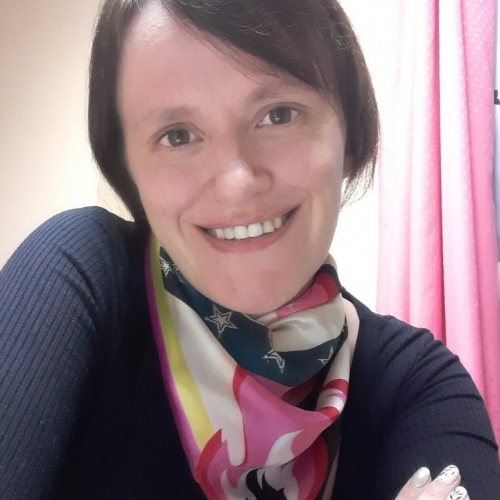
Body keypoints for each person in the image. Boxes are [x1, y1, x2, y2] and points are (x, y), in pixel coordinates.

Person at [0, 0, 499, 498]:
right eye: (177, 136)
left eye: (278, 115)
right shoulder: (81, 276)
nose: (237, 182)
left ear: (348, 136)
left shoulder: (416, 381)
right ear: (128, 169)